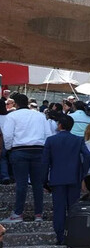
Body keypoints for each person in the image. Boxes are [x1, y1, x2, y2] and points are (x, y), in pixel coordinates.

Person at [42, 115, 90, 244]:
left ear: (59, 125)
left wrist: (44, 181)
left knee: (58, 208)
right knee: (73, 208)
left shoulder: (51, 140)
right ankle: (73, 234)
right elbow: (87, 155)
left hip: (57, 178)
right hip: (74, 178)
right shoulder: (78, 140)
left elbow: (44, 162)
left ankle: (60, 236)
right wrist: (83, 173)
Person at [2, 93, 52, 223]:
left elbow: (7, 135)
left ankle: (18, 213)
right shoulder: (40, 116)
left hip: (19, 150)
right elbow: (48, 134)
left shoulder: (12, 116)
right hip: (38, 150)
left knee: (21, 184)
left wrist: (9, 148)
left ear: (16, 104)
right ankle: (39, 214)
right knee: (38, 184)